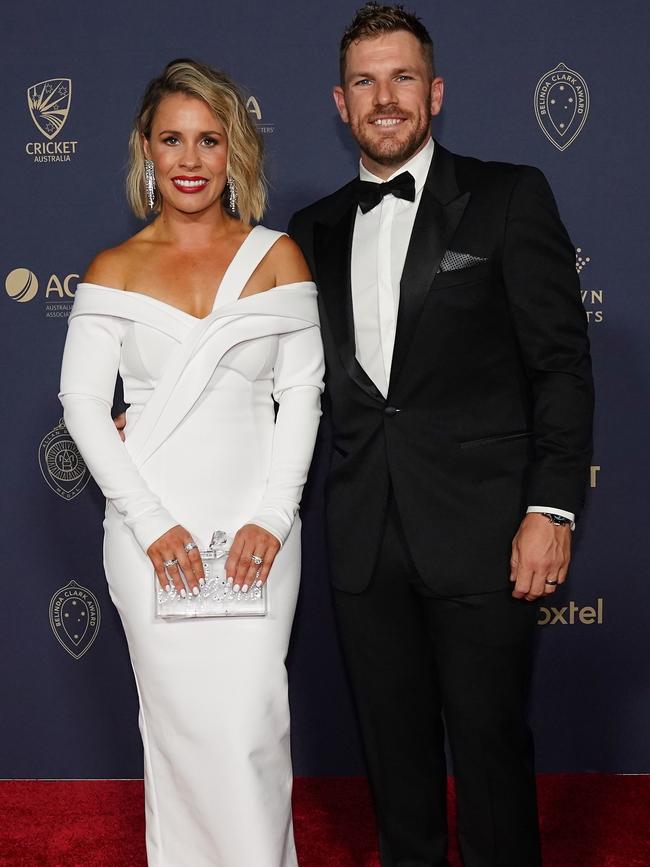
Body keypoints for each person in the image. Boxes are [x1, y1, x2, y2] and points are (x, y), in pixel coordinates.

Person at [288, 5, 594, 867]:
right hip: (362, 538)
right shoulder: (306, 233)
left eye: (403, 77)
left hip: (487, 534)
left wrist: (552, 510)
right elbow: (274, 378)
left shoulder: (509, 195)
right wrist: (153, 423)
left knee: (493, 758)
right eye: (365, 81)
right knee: (395, 764)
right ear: (340, 103)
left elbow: (562, 367)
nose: (385, 97)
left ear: (437, 92)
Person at [59, 58, 324, 867]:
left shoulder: (278, 258)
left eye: (209, 139)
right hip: (151, 539)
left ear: (234, 148)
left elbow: (302, 396)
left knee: (251, 725)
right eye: (172, 138)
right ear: (145, 146)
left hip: (258, 533)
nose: (190, 158)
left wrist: (274, 516)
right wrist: (150, 522)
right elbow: (82, 408)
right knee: (176, 730)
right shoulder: (113, 268)